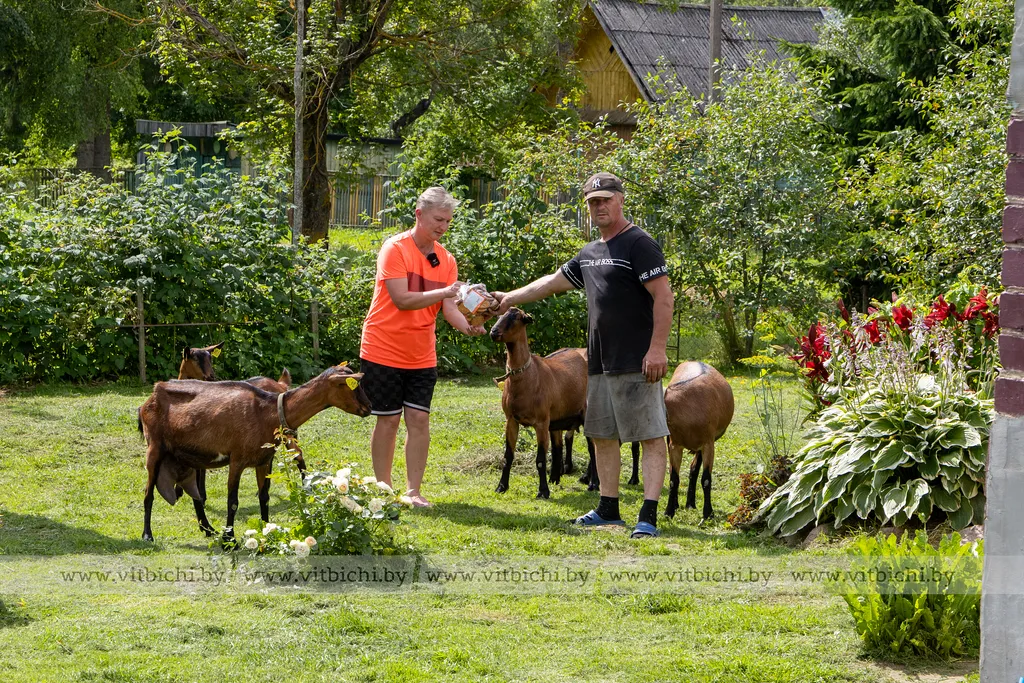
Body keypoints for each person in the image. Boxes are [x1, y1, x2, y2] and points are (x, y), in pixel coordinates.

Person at [493, 172, 674, 538]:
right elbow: (551, 282)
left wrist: (657, 349)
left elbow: (664, 298)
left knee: (650, 435)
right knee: (603, 434)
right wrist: (508, 298)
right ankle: (608, 509)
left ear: (621, 200)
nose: (599, 206)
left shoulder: (639, 244)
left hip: (637, 360)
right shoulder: (590, 253)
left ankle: (648, 516)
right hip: (599, 362)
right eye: (593, 202)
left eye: (605, 199)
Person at [359, 186, 485, 507]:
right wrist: (445, 292)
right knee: (388, 419)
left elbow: (449, 309)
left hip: (422, 354)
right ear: (419, 214)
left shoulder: (447, 260)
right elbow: (402, 299)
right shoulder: (395, 249)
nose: (444, 226)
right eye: (438, 219)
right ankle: (384, 490)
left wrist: (468, 326)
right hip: (382, 348)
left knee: (418, 420)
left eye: (448, 221)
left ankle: (413, 492)